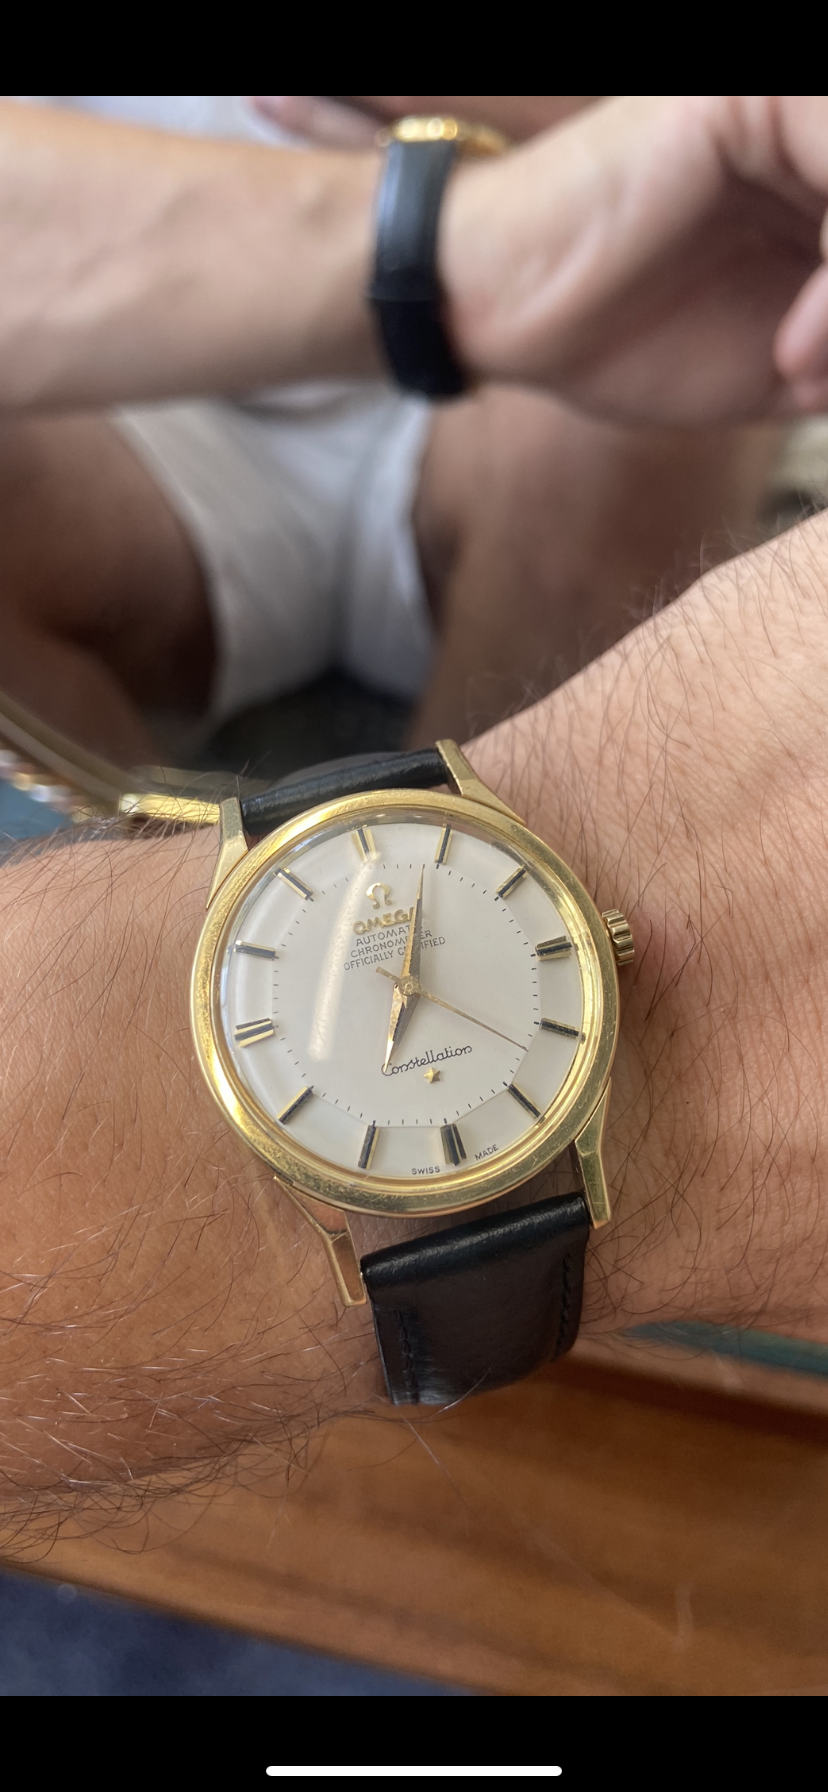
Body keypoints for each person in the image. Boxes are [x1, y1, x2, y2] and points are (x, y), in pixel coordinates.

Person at [4, 94, 828, 1521]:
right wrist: (453, 234)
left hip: (612, 327)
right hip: (134, 324)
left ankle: (457, 1221)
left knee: (615, 447)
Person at [0, 95, 777, 763]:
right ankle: (156, 893)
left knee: (646, 356)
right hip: (127, 392)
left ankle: (494, 868)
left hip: (519, 330)